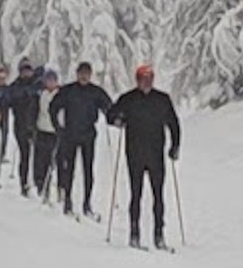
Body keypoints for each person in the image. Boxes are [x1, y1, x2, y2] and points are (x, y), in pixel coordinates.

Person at [107, 64, 181, 250]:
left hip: (156, 155)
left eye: (150, 78)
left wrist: (175, 146)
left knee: (158, 196)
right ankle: (134, 234)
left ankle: (159, 235)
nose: (147, 82)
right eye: (143, 78)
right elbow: (110, 115)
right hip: (135, 154)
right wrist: (118, 120)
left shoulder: (162, 99)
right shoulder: (128, 98)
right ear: (137, 80)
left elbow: (174, 123)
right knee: (136, 194)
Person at [49, 61, 112, 219]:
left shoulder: (95, 92)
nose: (84, 76)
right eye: (81, 73)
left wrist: (115, 118)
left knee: (88, 170)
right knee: (68, 169)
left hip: (88, 135)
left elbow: (109, 107)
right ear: (77, 74)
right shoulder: (68, 90)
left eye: (87, 73)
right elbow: (53, 107)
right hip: (69, 134)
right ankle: (68, 200)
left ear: (90, 75)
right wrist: (57, 127)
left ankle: (87, 203)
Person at [1, 59, 44, 196]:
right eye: (24, 70)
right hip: (21, 126)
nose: (26, 73)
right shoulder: (15, 86)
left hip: (38, 125)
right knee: (24, 156)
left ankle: (39, 184)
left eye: (28, 70)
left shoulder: (38, 84)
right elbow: (6, 101)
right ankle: (24, 183)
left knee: (39, 157)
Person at [33, 69, 61, 198]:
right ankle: (41, 185)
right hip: (41, 129)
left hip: (54, 131)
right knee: (40, 160)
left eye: (53, 80)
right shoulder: (41, 94)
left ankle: (54, 187)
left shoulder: (60, 94)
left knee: (52, 161)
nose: (50, 83)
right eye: (48, 80)